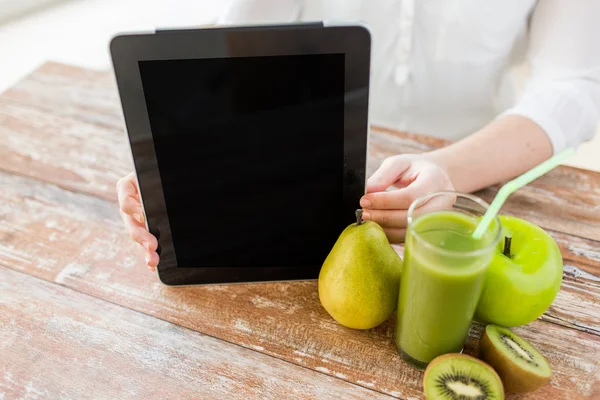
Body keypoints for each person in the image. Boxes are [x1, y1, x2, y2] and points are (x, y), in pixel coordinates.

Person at [118, 0, 600, 270]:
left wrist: (449, 171)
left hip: (482, 176)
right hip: (296, 175)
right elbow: (238, 49)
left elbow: (574, 83)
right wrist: (174, 156)